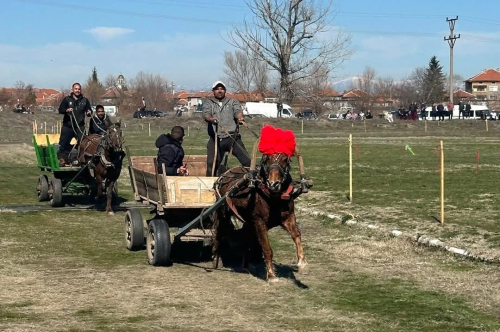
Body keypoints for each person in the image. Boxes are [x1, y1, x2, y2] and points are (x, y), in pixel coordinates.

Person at [202, 80, 251, 176]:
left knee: (247, 161)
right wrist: (211, 119)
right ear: (213, 91)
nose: (219, 91)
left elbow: (238, 111)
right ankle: (209, 184)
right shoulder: (209, 103)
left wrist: (240, 118)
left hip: (232, 138)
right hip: (215, 139)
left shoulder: (232, 101)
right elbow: (206, 114)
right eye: (217, 89)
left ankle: (253, 182)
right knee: (211, 165)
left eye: (222, 89)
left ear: (225, 91)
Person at [57, 83, 92, 166]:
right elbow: (60, 110)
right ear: (72, 90)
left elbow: (89, 109)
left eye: (79, 89)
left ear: (81, 90)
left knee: (84, 143)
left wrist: (89, 112)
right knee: (64, 143)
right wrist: (66, 110)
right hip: (68, 126)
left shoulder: (85, 100)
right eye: (76, 89)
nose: (77, 90)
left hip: (79, 126)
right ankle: (63, 159)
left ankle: (80, 160)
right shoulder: (67, 99)